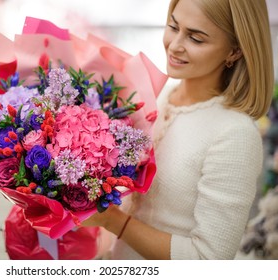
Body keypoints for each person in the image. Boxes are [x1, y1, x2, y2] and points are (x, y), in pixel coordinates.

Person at [82, 0, 274, 260]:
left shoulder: (235, 134)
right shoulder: (159, 98)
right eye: (173, 26)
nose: (174, 45)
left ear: (234, 51)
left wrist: (112, 221)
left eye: (196, 38)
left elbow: (209, 259)